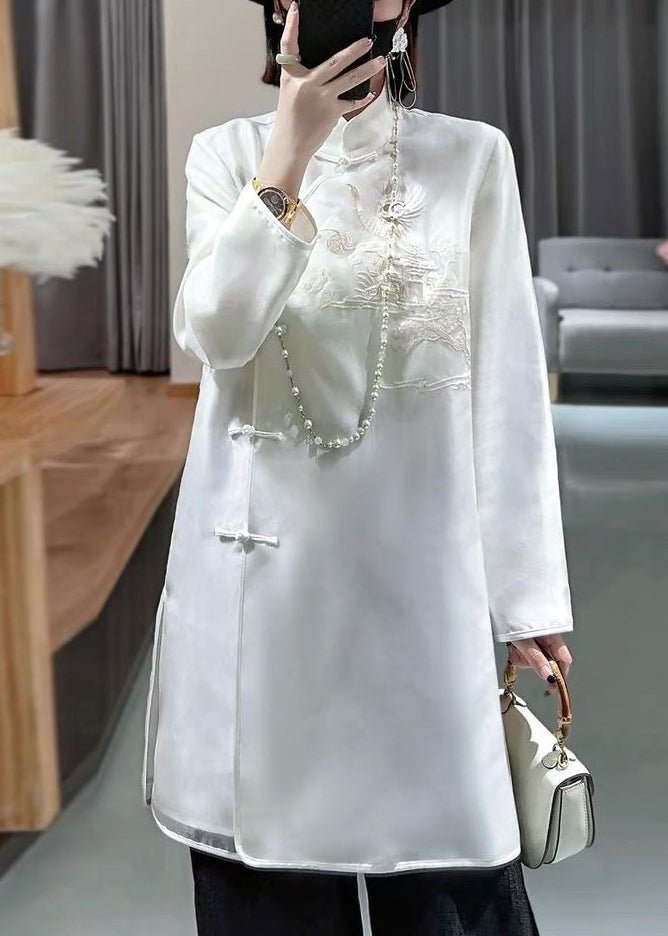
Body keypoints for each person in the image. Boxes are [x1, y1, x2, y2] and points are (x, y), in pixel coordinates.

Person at [141, 1, 575, 933]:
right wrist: (288, 154)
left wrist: (526, 598)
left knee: (447, 883)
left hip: (419, 595)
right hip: (262, 606)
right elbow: (217, 333)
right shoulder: (228, 154)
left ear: (406, 9)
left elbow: (505, 381)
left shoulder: (471, 157)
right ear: (280, 8)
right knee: (275, 896)